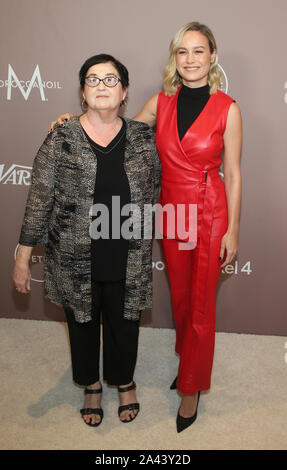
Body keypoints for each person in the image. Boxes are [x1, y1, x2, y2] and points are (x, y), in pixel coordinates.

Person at [50, 21, 242, 433]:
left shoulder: (228, 107)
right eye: (182, 52)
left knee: (202, 305)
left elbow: (235, 173)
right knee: (181, 302)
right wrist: (76, 118)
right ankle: (186, 362)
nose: (190, 60)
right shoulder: (161, 103)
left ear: (212, 57)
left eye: (198, 51)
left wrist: (233, 230)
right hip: (171, 215)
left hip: (209, 213)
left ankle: (190, 388)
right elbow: (119, 131)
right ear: (175, 58)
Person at [13, 54, 161, 427]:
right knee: (80, 323)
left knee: (125, 321)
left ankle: (124, 382)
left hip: (127, 252)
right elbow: (39, 200)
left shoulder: (144, 137)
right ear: (82, 92)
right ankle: (91, 386)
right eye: (93, 80)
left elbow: (158, 186)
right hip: (73, 256)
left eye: (111, 80)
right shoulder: (61, 136)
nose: (101, 86)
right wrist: (22, 256)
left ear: (125, 91)